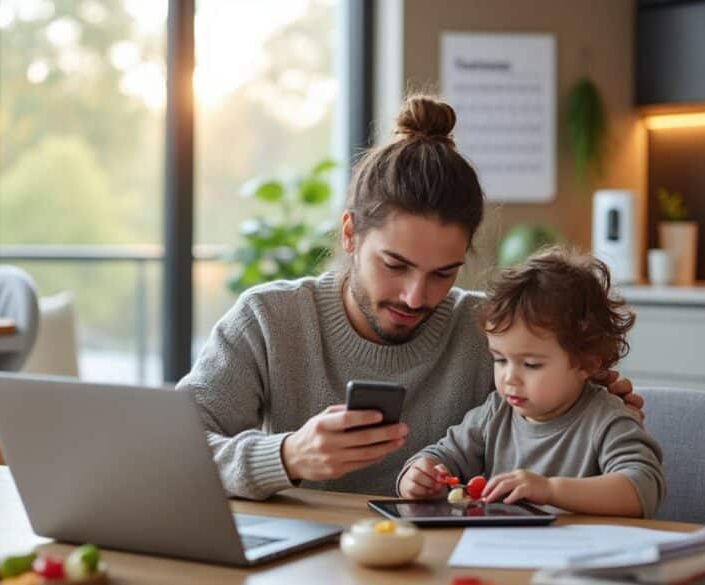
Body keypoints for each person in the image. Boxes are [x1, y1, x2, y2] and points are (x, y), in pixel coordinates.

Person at [178, 95, 643, 500]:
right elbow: (173, 450)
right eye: (395, 265)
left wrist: (581, 408)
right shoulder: (267, 319)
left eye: (444, 273)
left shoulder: (496, 332)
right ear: (350, 234)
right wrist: (287, 455)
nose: (416, 297)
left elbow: (566, 463)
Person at [397, 248, 665, 517]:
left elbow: (641, 489)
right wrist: (420, 474)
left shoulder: (608, 419)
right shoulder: (495, 412)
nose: (509, 377)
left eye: (531, 364)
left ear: (587, 363)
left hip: (581, 553)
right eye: (500, 359)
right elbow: (444, 455)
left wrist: (549, 490)